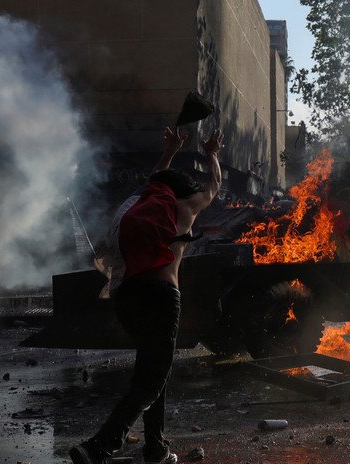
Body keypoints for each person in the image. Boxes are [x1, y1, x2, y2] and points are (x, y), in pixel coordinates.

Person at [70, 126, 223, 464]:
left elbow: (157, 177)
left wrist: (169, 149)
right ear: (183, 191)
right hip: (161, 296)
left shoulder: (138, 203)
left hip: (125, 296)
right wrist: (212, 153)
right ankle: (100, 447)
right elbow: (214, 186)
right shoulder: (185, 207)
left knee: (153, 369)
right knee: (152, 378)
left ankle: (155, 447)